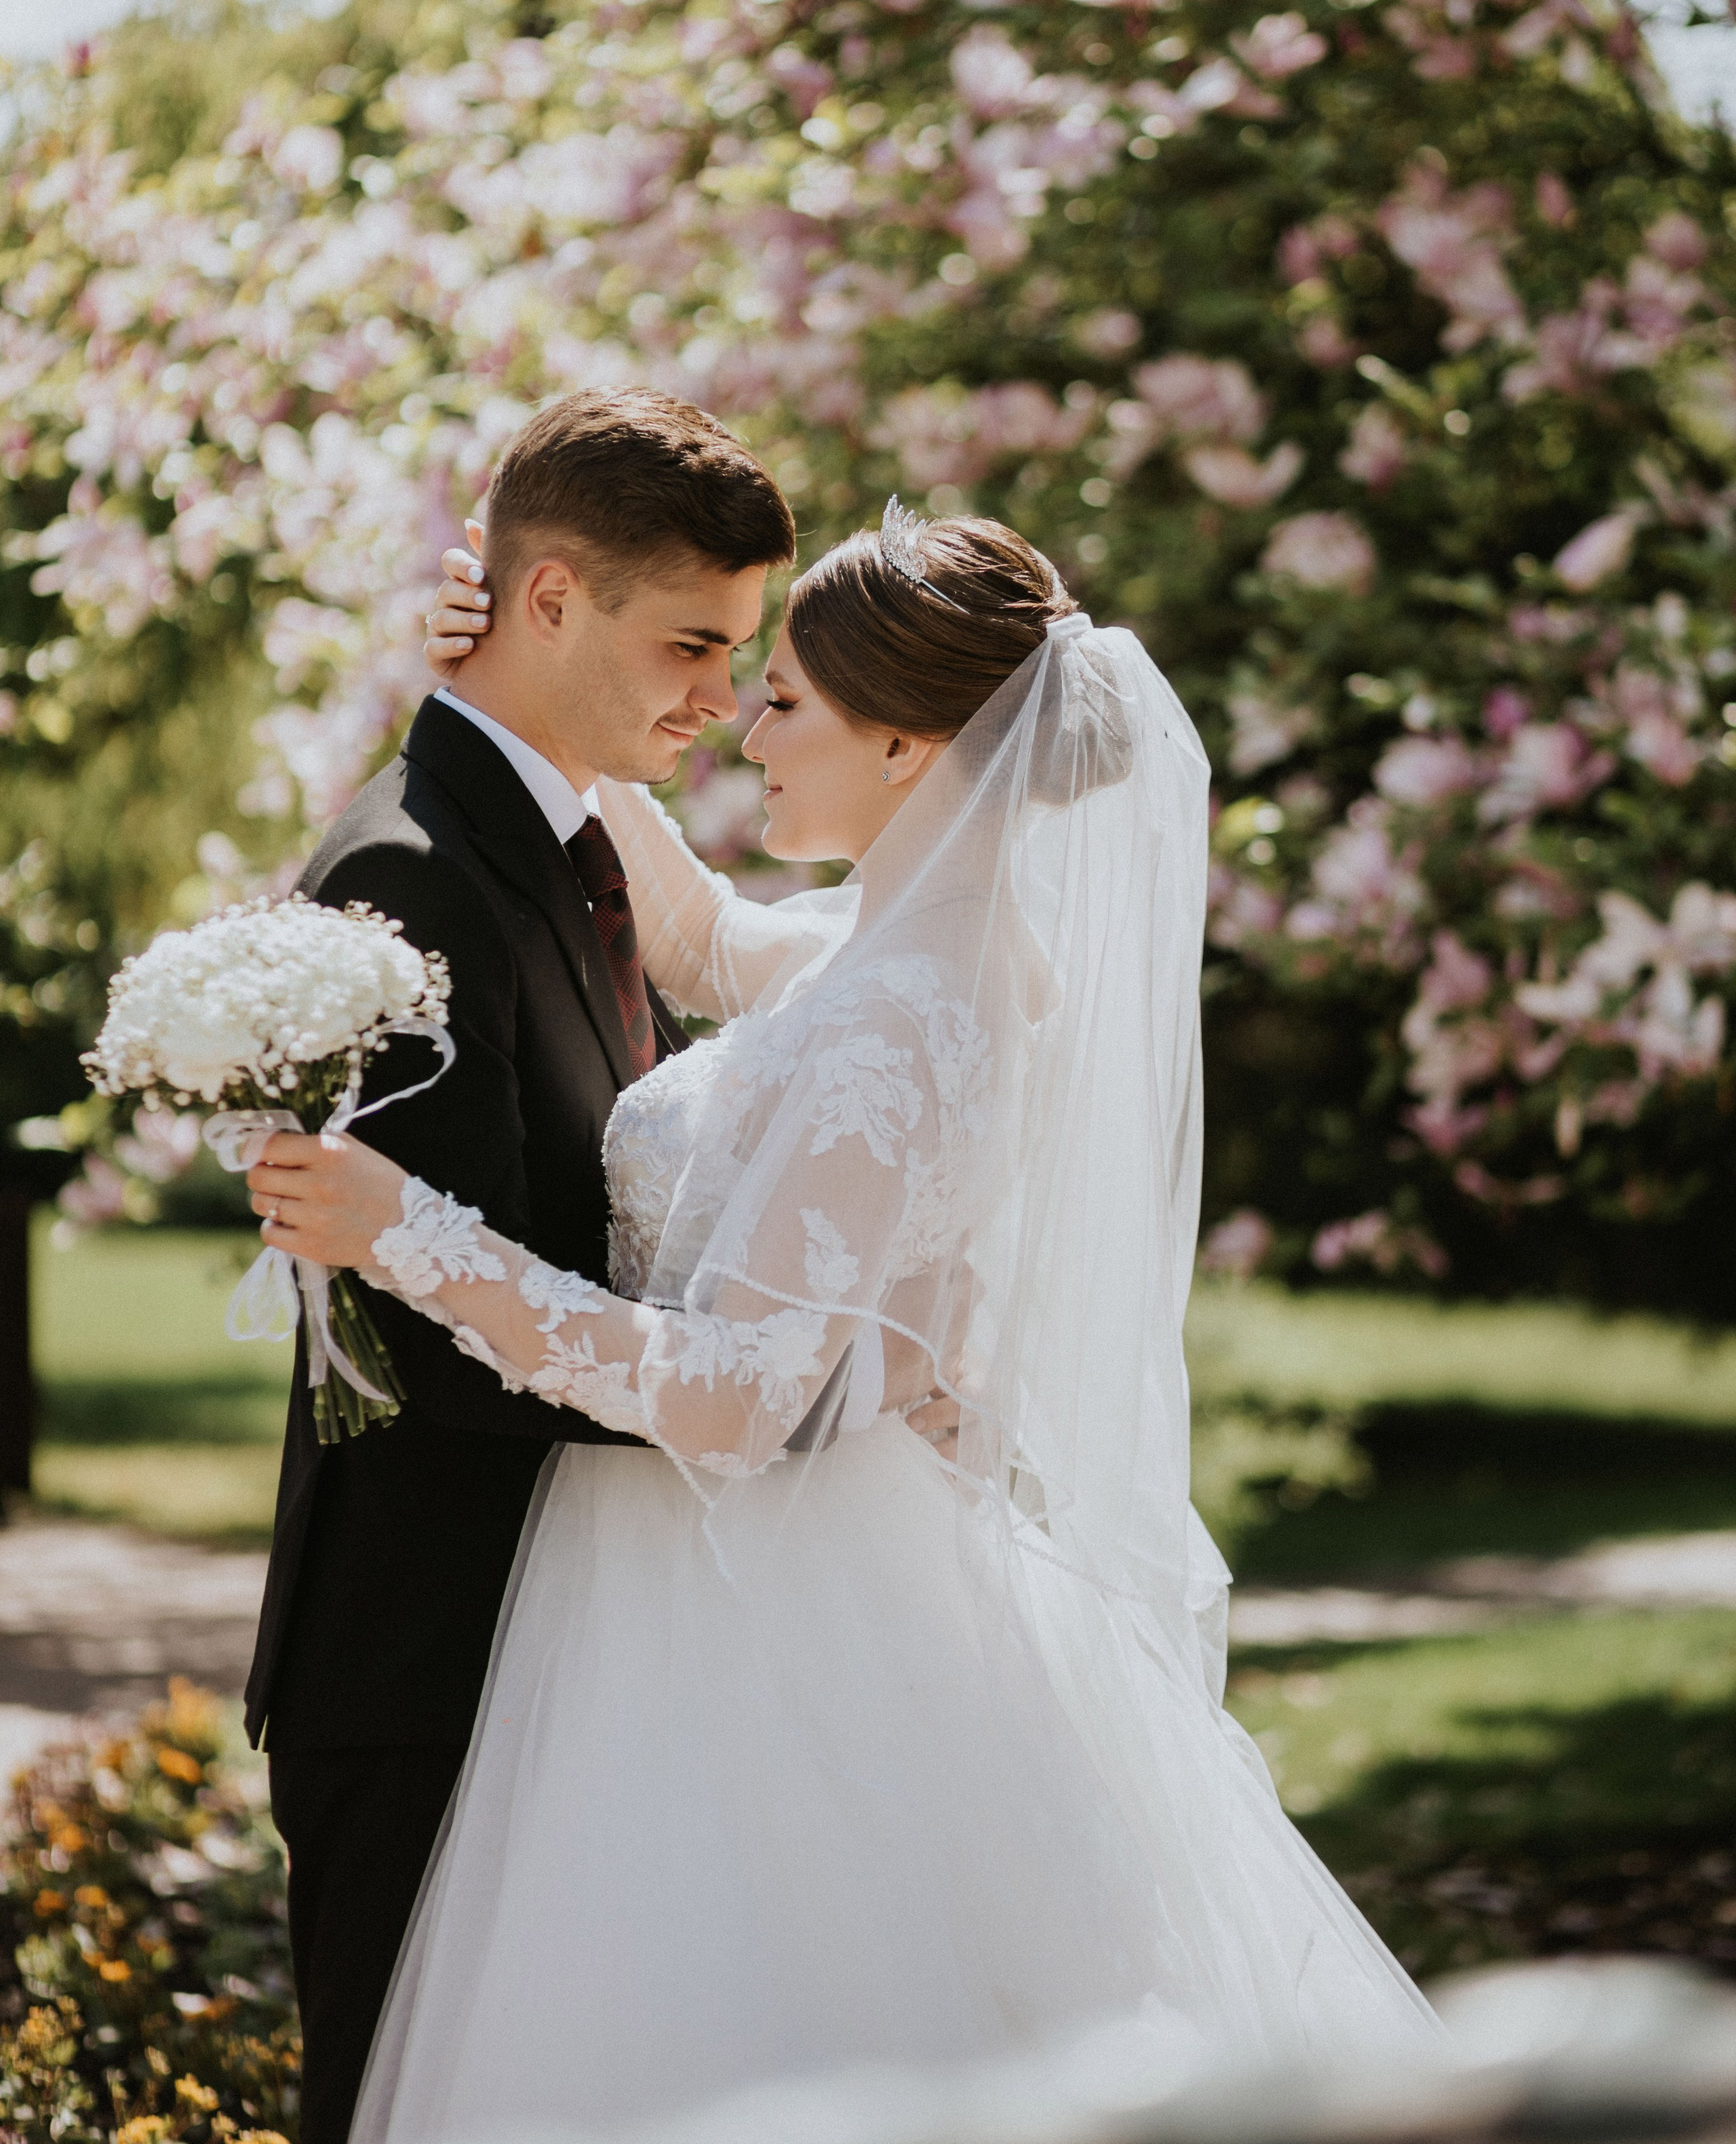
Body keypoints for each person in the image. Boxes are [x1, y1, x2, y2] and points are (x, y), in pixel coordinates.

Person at [248, 503, 1440, 2143]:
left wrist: (413, 1234)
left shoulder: (906, 1006)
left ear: (905, 738)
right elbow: (699, 936)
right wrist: (529, 694)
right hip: (759, 1569)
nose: (742, 726)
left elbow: (737, 1397)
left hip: (741, 1603)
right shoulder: (899, 947)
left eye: (786, 699)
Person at [250, 386, 796, 2144]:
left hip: (563, 1640)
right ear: (548, 601)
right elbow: (434, 1339)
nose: (721, 699)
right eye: (694, 644)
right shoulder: (412, 874)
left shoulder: (567, 848)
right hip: (430, 1651)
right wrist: (777, 1398)